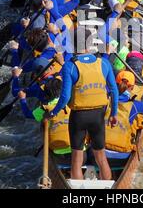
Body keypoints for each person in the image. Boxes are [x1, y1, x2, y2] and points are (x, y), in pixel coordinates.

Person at [49, 27, 119, 180]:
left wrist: (53, 112)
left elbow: (65, 96)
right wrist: (114, 114)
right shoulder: (104, 63)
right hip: (98, 115)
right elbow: (114, 90)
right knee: (101, 156)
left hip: (78, 117)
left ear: (73, 46)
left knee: (76, 158)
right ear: (91, 44)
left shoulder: (70, 65)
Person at [104, 71, 143, 166]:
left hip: (98, 153)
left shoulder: (105, 98)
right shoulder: (136, 105)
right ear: (132, 87)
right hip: (122, 156)